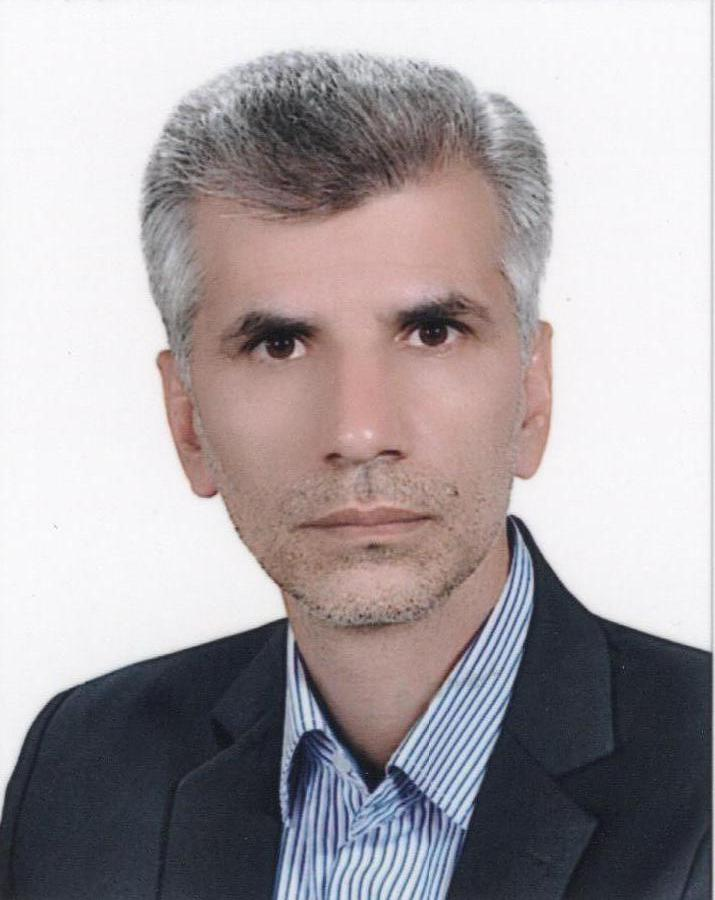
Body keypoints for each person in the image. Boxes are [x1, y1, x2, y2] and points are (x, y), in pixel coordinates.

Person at [0, 49, 709, 900]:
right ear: (187, 419)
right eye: (278, 344)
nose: (358, 431)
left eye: (432, 332)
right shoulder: (82, 765)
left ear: (531, 394)